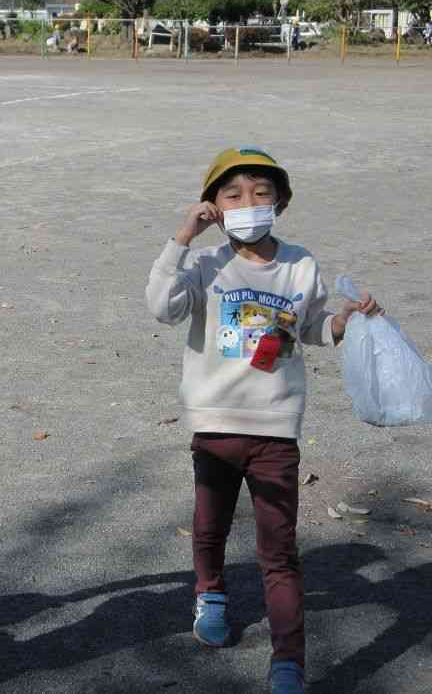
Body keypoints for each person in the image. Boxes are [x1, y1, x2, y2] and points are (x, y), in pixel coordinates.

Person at [145, 148, 382, 694]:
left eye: (260, 193)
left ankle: (289, 662)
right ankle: (210, 594)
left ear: (281, 201)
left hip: (275, 428)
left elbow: (313, 325)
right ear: (214, 208)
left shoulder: (300, 264)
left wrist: (344, 323)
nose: (248, 203)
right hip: (215, 426)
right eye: (233, 195)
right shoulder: (204, 265)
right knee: (210, 528)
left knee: (279, 553)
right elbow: (161, 306)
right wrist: (181, 238)